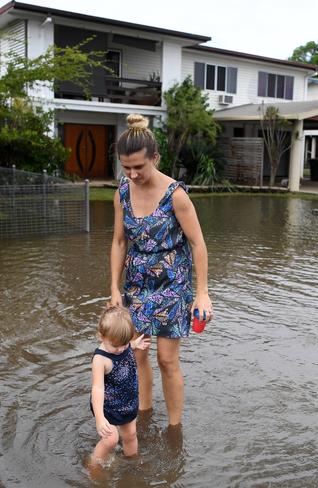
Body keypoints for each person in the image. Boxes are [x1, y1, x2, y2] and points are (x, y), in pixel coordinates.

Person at [109, 113, 213, 427]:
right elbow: (118, 241)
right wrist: (114, 287)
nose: (132, 174)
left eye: (139, 167)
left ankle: (174, 429)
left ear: (155, 158)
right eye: (126, 167)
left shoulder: (176, 196)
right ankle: (143, 417)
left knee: (166, 359)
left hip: (172, 285)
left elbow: (198, 244)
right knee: (137, 354)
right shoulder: (122, 194)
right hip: (137, 285)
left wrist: (202, 293)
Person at [90, 306, 150, 467]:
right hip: (108, 406)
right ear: (101, 337)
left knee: (130, 435)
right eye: (116, 346)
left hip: (128, 402)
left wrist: (134, 344)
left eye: (125, 344)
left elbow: (125, 344)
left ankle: (132, 462)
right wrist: (99, 418)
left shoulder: (122, 343)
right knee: (111, 439)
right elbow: (97, 388)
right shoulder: (100, 360)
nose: (121, 349)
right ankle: (93, 464)